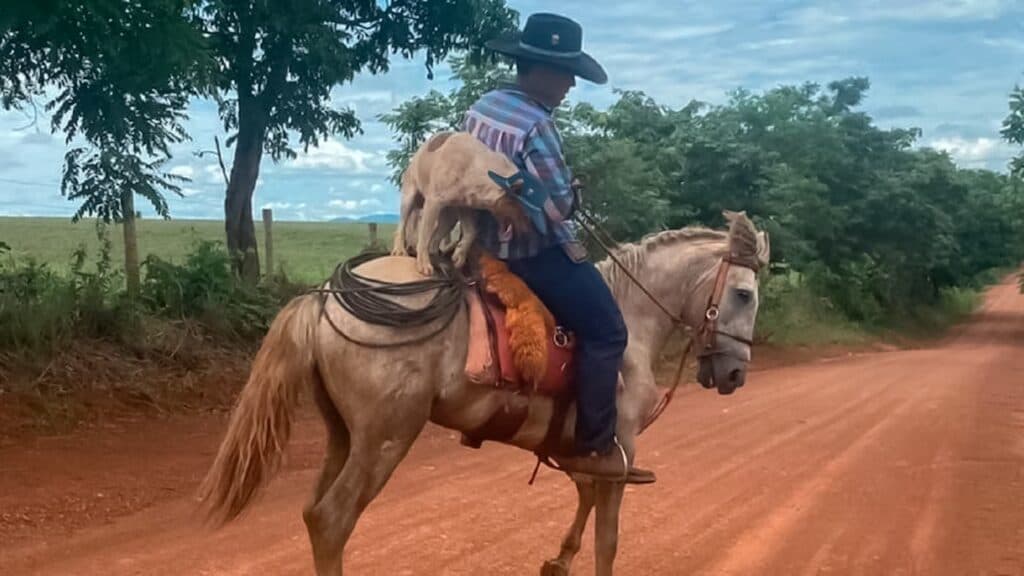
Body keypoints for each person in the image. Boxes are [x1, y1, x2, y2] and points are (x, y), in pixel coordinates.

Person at [462, 13, 655, 484]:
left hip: (480, 246)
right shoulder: (538, 126)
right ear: (542, 70)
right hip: (531, 253)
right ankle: (593, 446)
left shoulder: (483, 107)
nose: (570, 85)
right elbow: (553, 211)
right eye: (566, 73)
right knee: (608, 331)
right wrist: (573, 196)